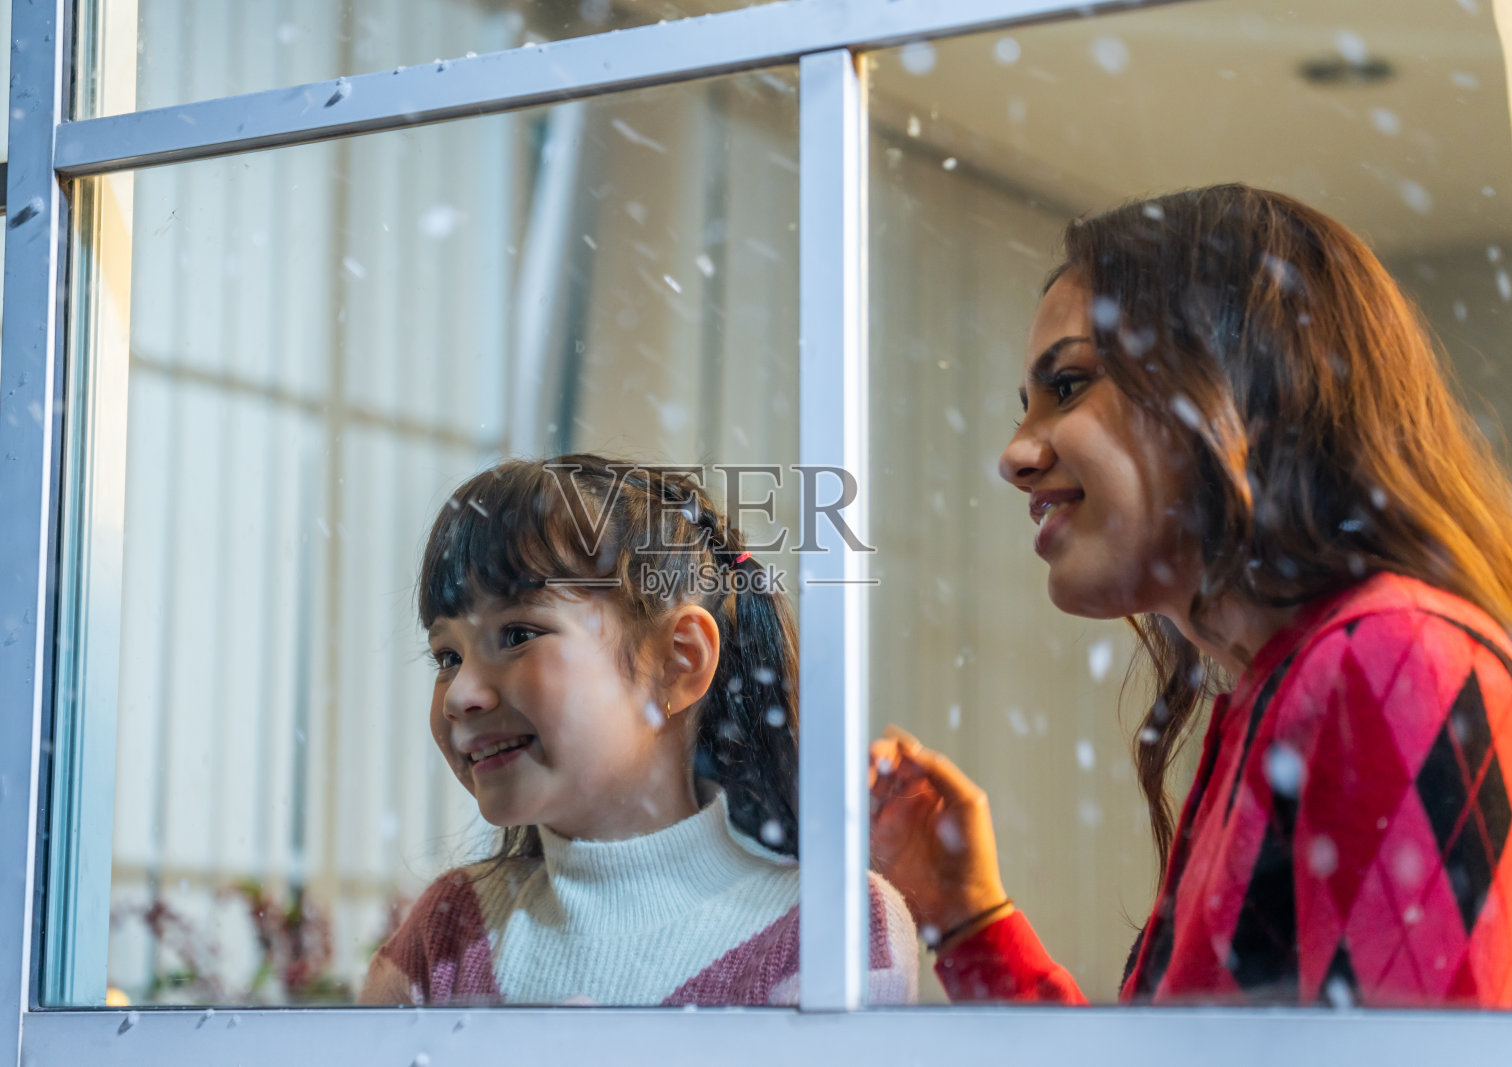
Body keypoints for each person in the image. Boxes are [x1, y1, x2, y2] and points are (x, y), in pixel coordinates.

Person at [869, 184, 1512, 1008]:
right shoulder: (1286, 691)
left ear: (1240, 383)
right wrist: (970, 920)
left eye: (1066, 385)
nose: (1016, 454)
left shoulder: (1387, 659)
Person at [363, 454, 919, 1006]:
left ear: (679, 662)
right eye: (446, 655)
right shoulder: (447, 931)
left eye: (516, 635)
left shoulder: (833, 925)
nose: (460, 696)